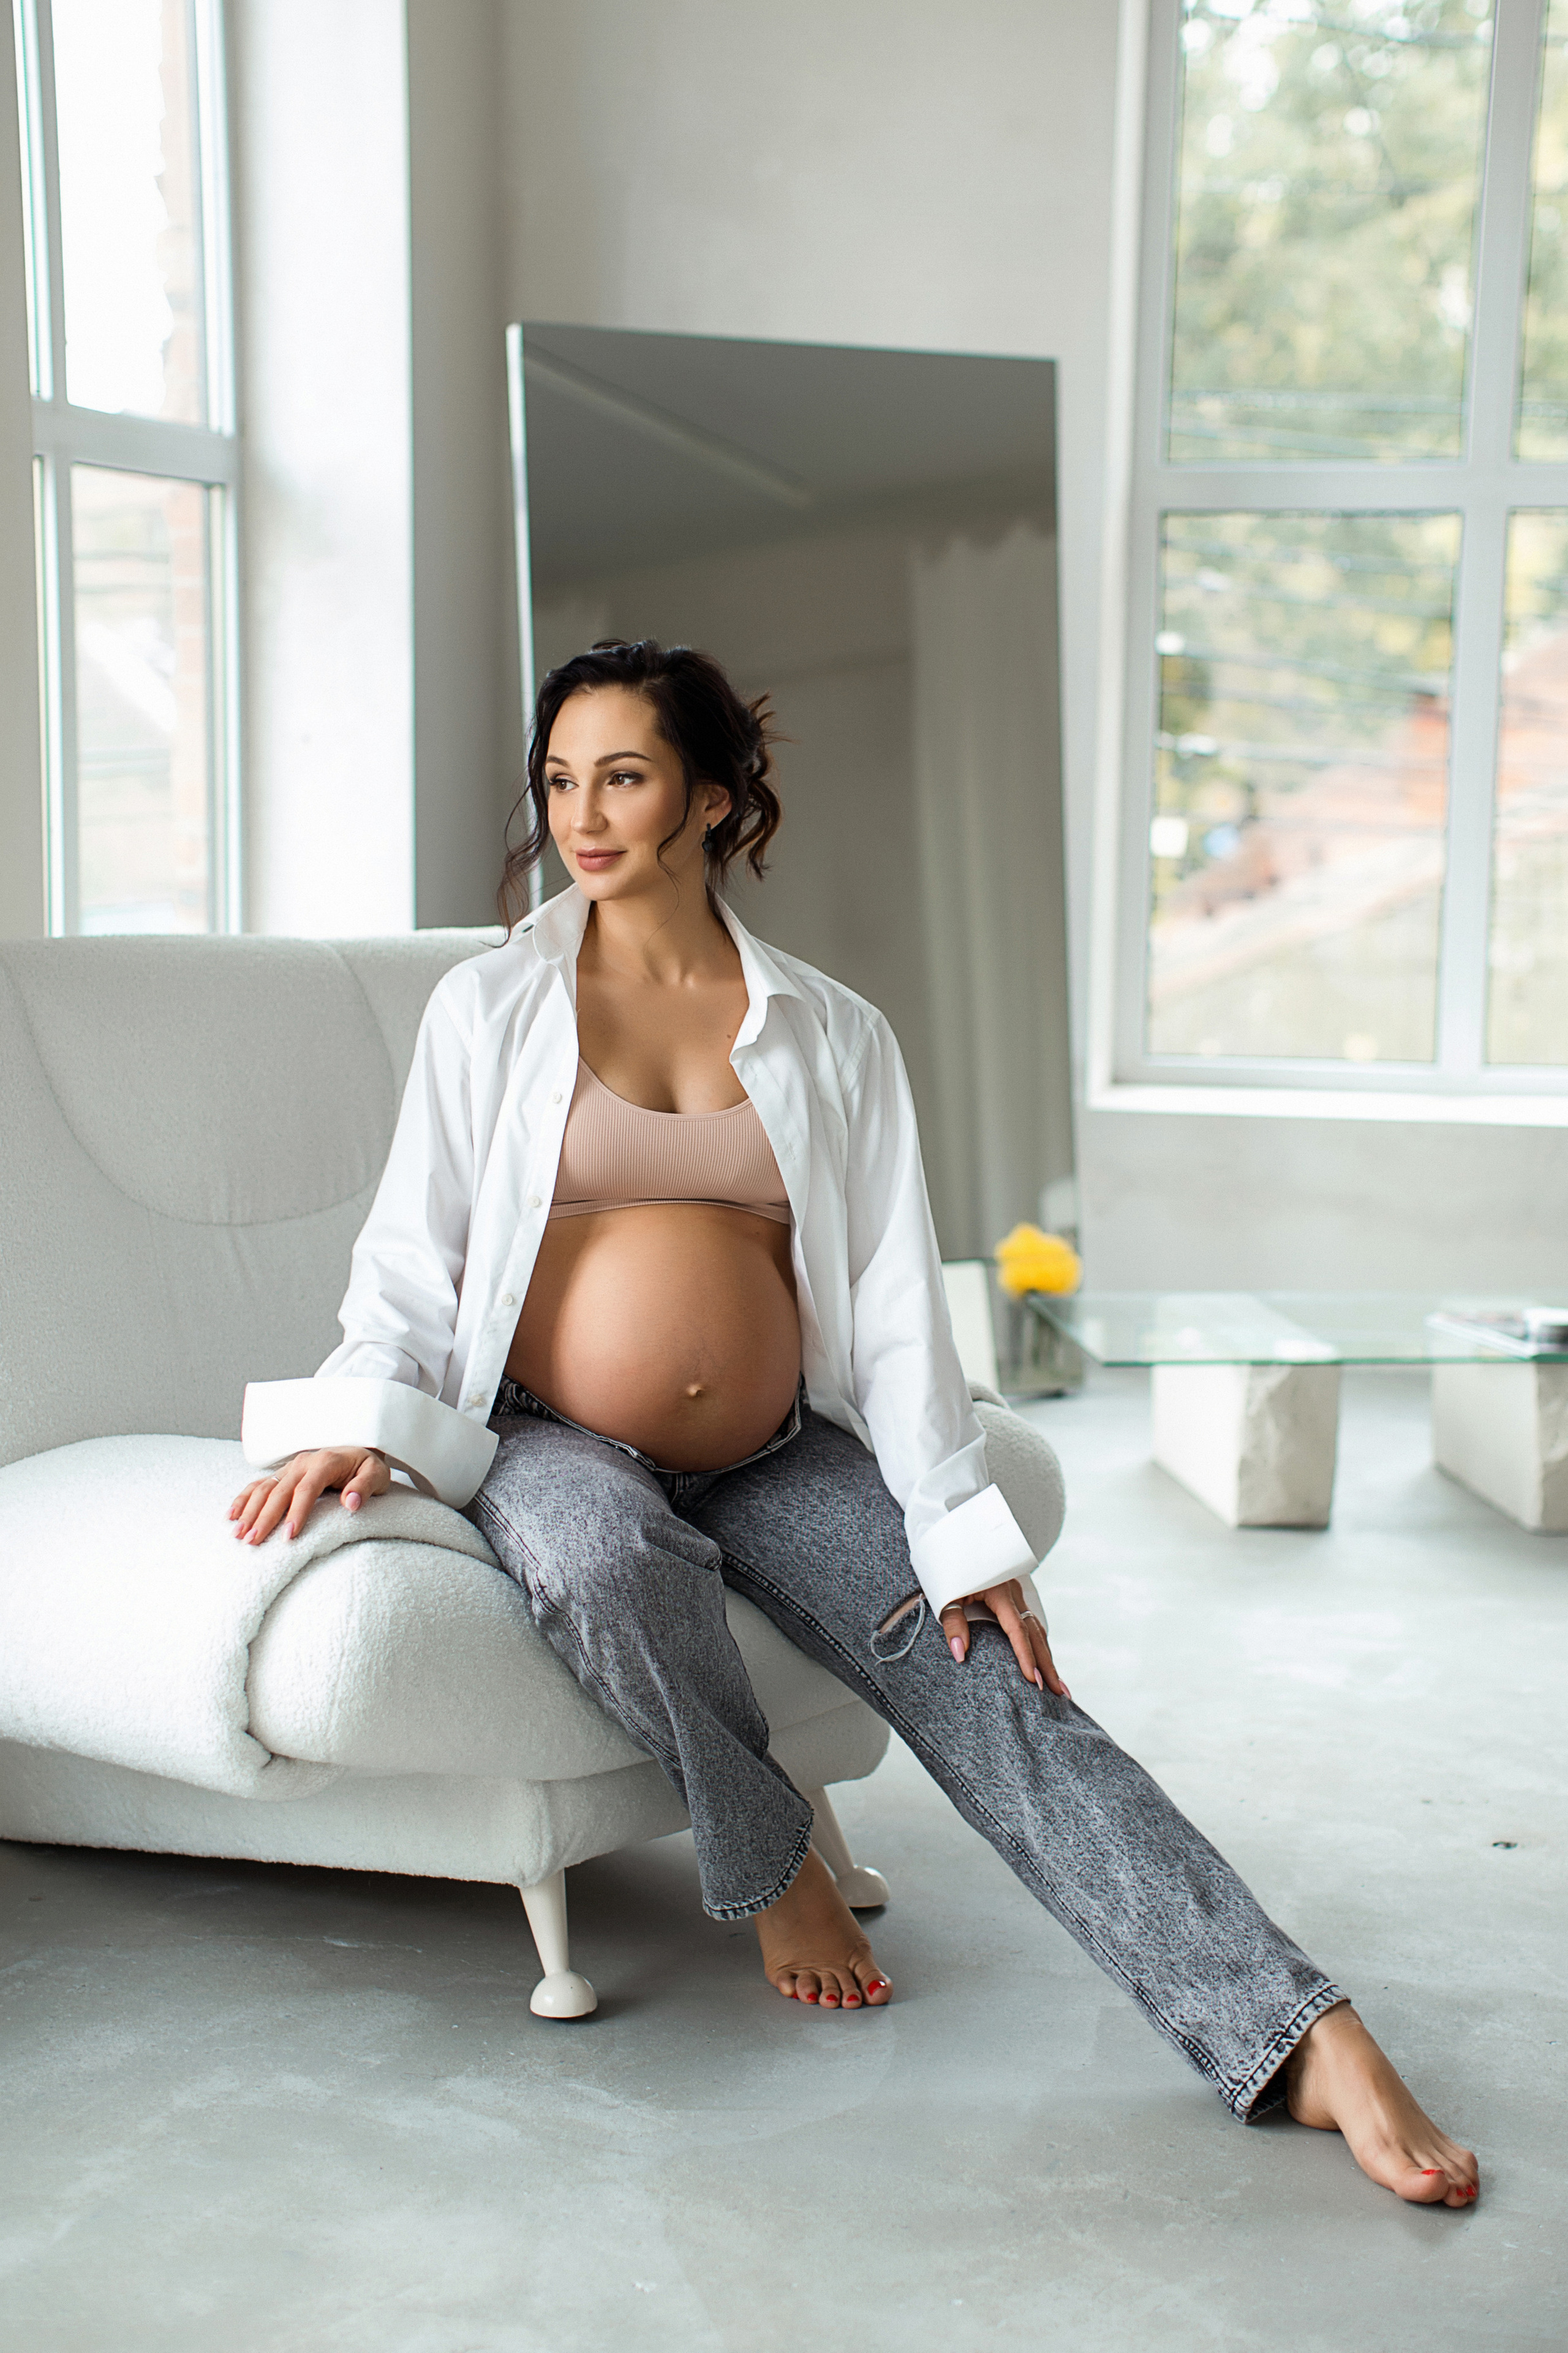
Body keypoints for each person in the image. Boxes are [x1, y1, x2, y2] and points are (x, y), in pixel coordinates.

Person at [232, 638, 1477, 2209]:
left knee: (993, 1676)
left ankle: (1299, 2033)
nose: (583, 815)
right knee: (606, 1558)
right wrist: (371, 1420)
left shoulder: (829, 1032)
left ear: (706, 792)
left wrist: (963, 1537)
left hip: (771, 1452)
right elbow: (413, 1257)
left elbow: (895, 1312)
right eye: (560, 780)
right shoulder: (491, 1007)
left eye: (620, 774)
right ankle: (770, 1864)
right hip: (555, 1435)